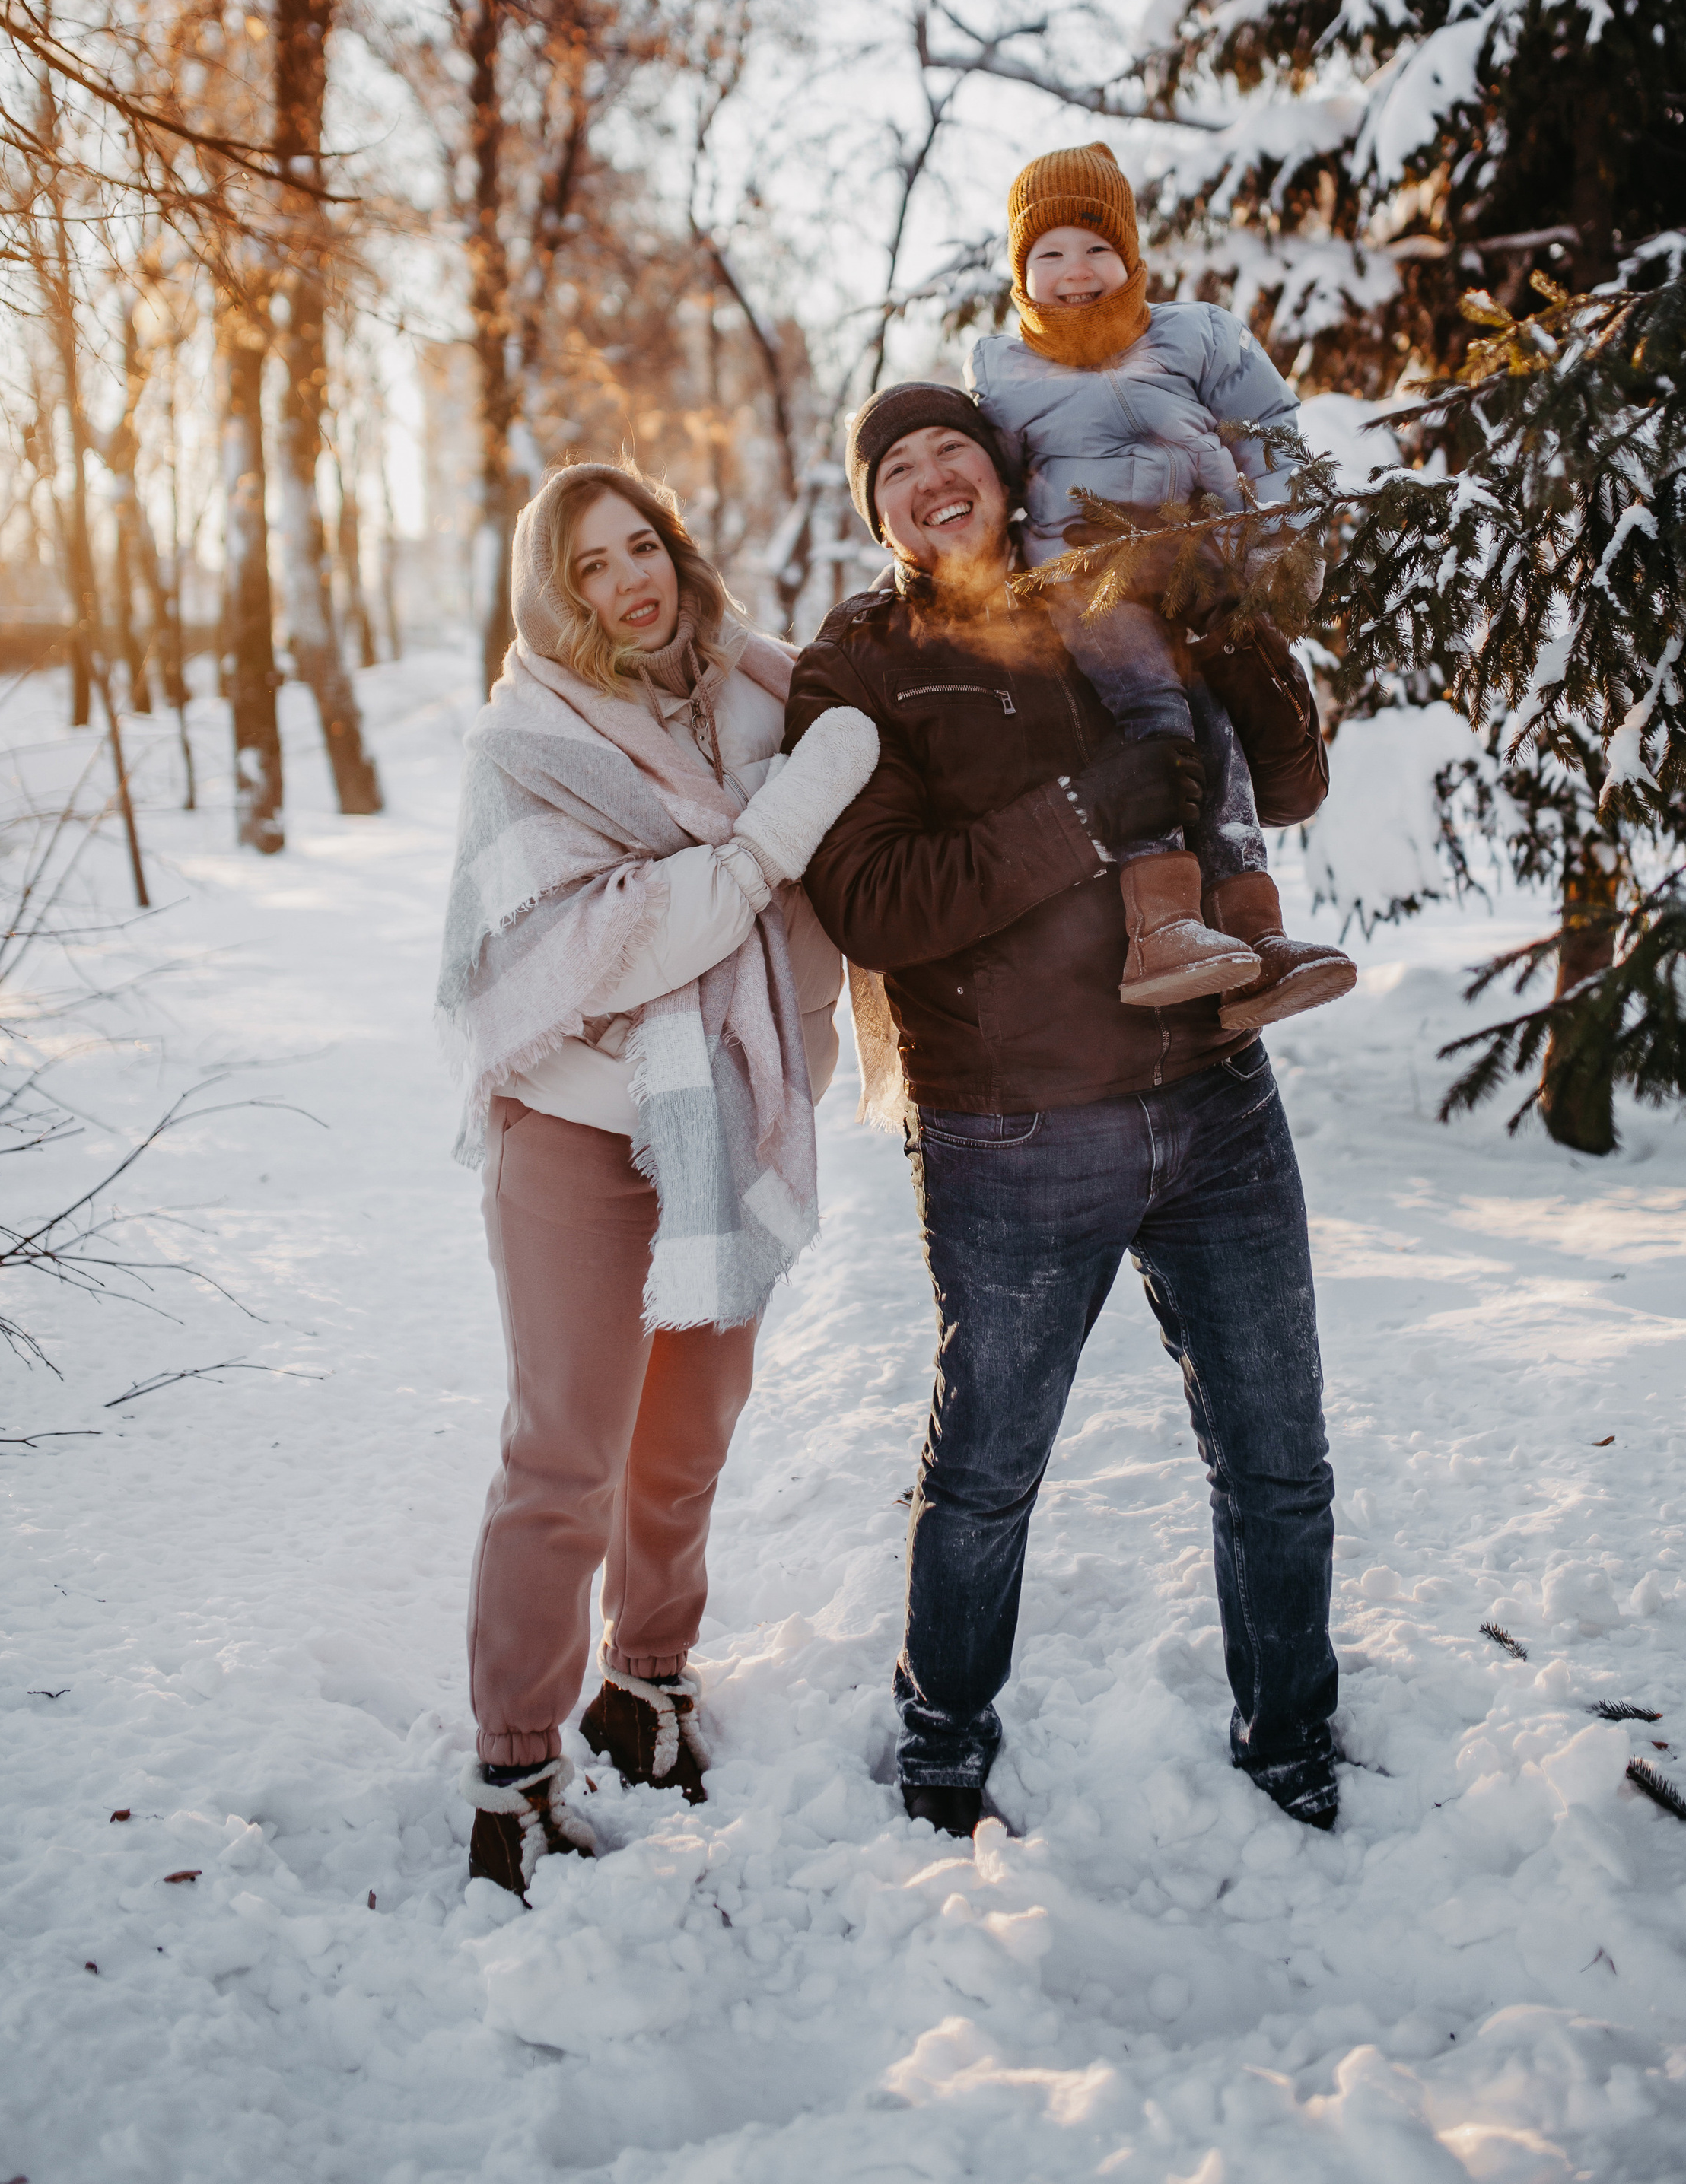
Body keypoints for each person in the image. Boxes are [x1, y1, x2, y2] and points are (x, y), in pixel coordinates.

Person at [784, 386, 1344, 1839]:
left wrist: (1228, 620)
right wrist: (1086, 816)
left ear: (1001, 466)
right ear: (876, 509)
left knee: (1279, 1459)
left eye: (951, 449)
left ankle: (1294, 1726)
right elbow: (873, 900)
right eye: (896, 467)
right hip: (1016, 1133)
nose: (930, 477)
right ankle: (943, 1734)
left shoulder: (1109, 591)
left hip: (1216, 1097)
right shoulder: (860, 663)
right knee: (986, 1472)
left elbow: (1289, 780)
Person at [436, 459, 877, 1896]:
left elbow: (842, 869)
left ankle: (646, 1683)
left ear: (677, 549)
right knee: (566, 1452)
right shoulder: (528, 744)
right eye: (589, 566)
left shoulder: (761, 694)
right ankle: (514, 1774)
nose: (628, 580)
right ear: (552, 599)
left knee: (686, 1435)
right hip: (575, 1126)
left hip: (725, 1115)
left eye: (641, 545)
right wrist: (766, 837)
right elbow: (611, 941)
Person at [969, 139, 1354, 1025]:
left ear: (1131, 253)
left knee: (1220, 729)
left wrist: (1274, 562)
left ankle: (1252, 936)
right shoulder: (1003, 372)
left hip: (1198, 575)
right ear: (1021, 272)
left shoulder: (1198, 335)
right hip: (1087, 582)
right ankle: (1163, 923)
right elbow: (992, 492)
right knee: (1153, 713)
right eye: (1048, 253)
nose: (1075, 271)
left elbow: (1273, 437)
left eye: (1095, 246)